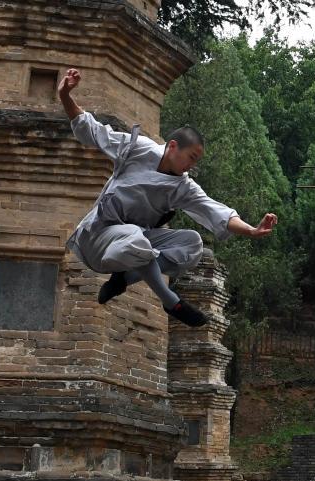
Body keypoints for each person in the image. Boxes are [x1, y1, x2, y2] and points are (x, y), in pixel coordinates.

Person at [57, 68, 277, 327]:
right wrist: (65, 95)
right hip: (100, 240)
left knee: (192, 244)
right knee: (136, 239)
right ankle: (171, 301)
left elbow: (215, 211)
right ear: (172, 146)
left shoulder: (183, 187)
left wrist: (251, 230)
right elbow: (93, 131)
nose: (191, 166)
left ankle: (123, 280)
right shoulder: (138, 150)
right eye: (191, 157)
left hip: (132, 243)